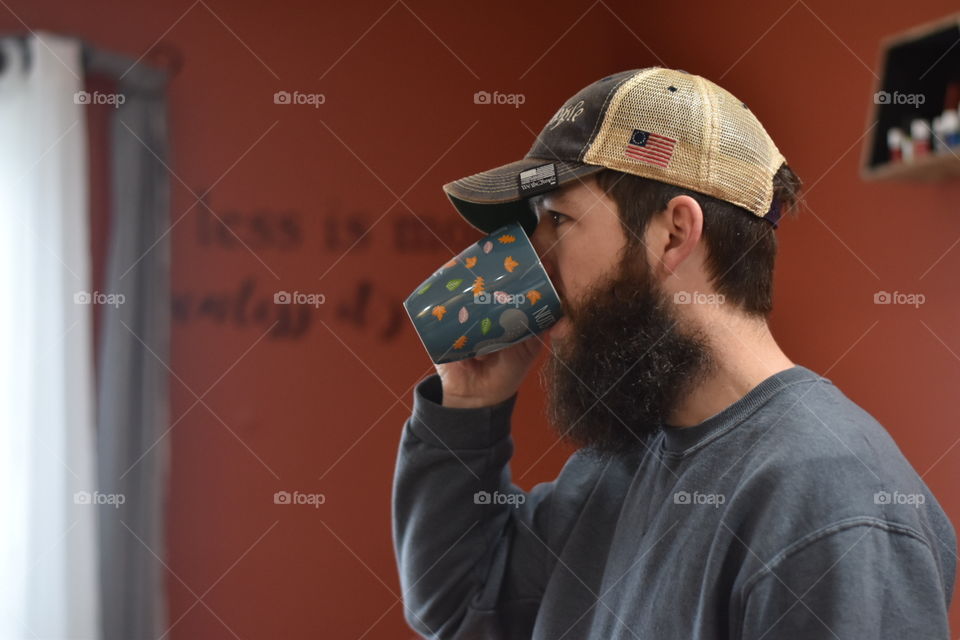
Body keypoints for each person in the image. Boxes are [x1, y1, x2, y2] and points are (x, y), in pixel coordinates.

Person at [391, 67, 956, 639]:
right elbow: (462, 604)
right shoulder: (619, 466)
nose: (532, 265)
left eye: (558, 220)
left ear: (674, 233)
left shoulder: (830, 503)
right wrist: (468, 401)